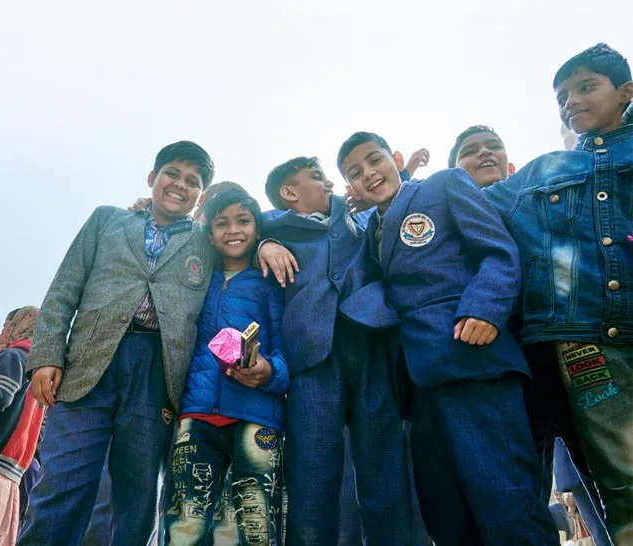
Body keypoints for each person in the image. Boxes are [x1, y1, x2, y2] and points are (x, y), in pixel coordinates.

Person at [338, 131, 560, 545]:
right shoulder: (370, 232)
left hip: (472, 360)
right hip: (417, 385)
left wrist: (485, 307)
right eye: (355, 172)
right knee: (447, 516)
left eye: (374, 160)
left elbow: (498, 251)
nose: (368, 173)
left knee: (506, 500)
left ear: (396, 159)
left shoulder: (443, 184)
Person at [19, 140, 218, 546]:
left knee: (137, 495)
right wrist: (47, 356)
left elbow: (245, 231)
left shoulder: (206, 241)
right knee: (61, 484)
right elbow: (64, 289)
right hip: (88, 364)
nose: (180, 185)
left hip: (158, 373)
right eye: (172, 174)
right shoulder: (106, 220)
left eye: (192, 181)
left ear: (200, 196)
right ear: (152, 177)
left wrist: (267, 243)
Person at [482, 43, 633, 546]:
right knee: (623, 478)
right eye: (562, 96)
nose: (571, 101)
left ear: (626, 92)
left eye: (586, 87)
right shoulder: (542, 170)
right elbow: (467, 208)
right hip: (583, 341)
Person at [261, 156, 412, 545]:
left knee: (384, 469)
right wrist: (264, 244)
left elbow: (393, 202)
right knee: (311, 474)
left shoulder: (358, 214)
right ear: (288, 192)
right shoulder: (271, 225)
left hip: (370, 342)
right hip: (311, 357)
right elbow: (234, 225)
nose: (329, 183)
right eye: (316, 177)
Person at [164, 188, 288, 545]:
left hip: (257, 416)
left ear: (258, 227)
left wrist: (269, 371)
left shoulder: (271, 282)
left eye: (243, 221)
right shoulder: (195, 280)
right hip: (196, 415)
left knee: (251, 526)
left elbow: (287, 349)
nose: (233, 230)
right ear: (209, 234)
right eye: (222, 223)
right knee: (185, 525)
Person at [0, 307, 43, 546]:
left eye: (6, 325)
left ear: (20, 324)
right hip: (12, 474)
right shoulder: (38, 370)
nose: (2, 332)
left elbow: (1, 397)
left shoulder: (13, 357)